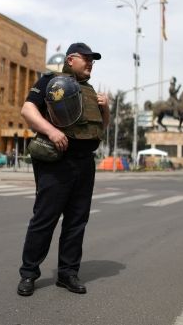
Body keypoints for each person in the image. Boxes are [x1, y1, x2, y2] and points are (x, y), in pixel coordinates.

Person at [17, 42, 110, 296]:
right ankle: (28, 274)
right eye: (87, 58)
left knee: (77, 220)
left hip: (84, 161)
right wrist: (51, 130)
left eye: (94, 60)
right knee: (45, 219)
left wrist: (106, 108)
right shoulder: (51, 80)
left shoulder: (91, 91)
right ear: (70, 60)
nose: (91, 62)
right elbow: (27, 109)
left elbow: (101, 128)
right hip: (57, 160)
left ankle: (67, 273)